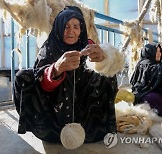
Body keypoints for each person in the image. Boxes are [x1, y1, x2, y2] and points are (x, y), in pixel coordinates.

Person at [14, 6, 122, 144]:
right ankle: (54, 131)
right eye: (66, 26)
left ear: (81, 29)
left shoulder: (89, 46)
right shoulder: (49, 48)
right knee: (23, 77)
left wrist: (103, 60)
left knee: (107, 75)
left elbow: (108, 69)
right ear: (58, 27)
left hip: (86, 116)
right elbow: (40, 82)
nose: (71, 31)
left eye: (76, 26)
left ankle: (95, 126)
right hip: (53, 119)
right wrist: (55, 69)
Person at [130, 43, 162, 116]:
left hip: (138, 97)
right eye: (158, 52)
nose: (160, 54)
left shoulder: (140, 63)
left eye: (160, 52)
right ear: (152, 53)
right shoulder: (153, 66)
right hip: (150, 99)